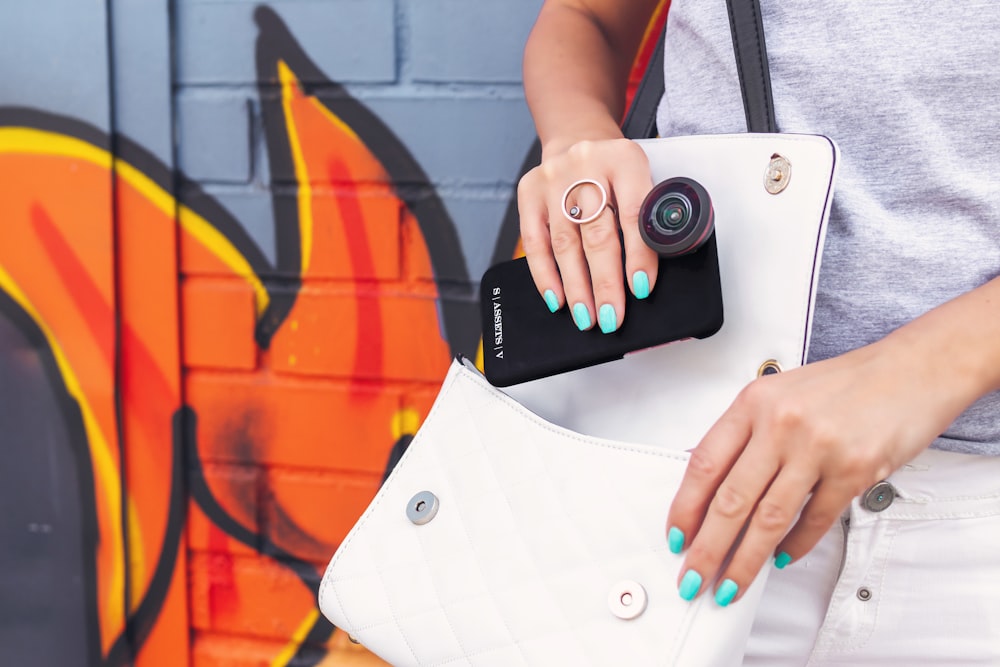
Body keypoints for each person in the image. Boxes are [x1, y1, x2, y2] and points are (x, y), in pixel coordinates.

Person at [517, 1, 1000, 664]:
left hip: (977, 534)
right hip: (680, 474)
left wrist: (914, 371)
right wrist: (578, 143)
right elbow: (584, 17)